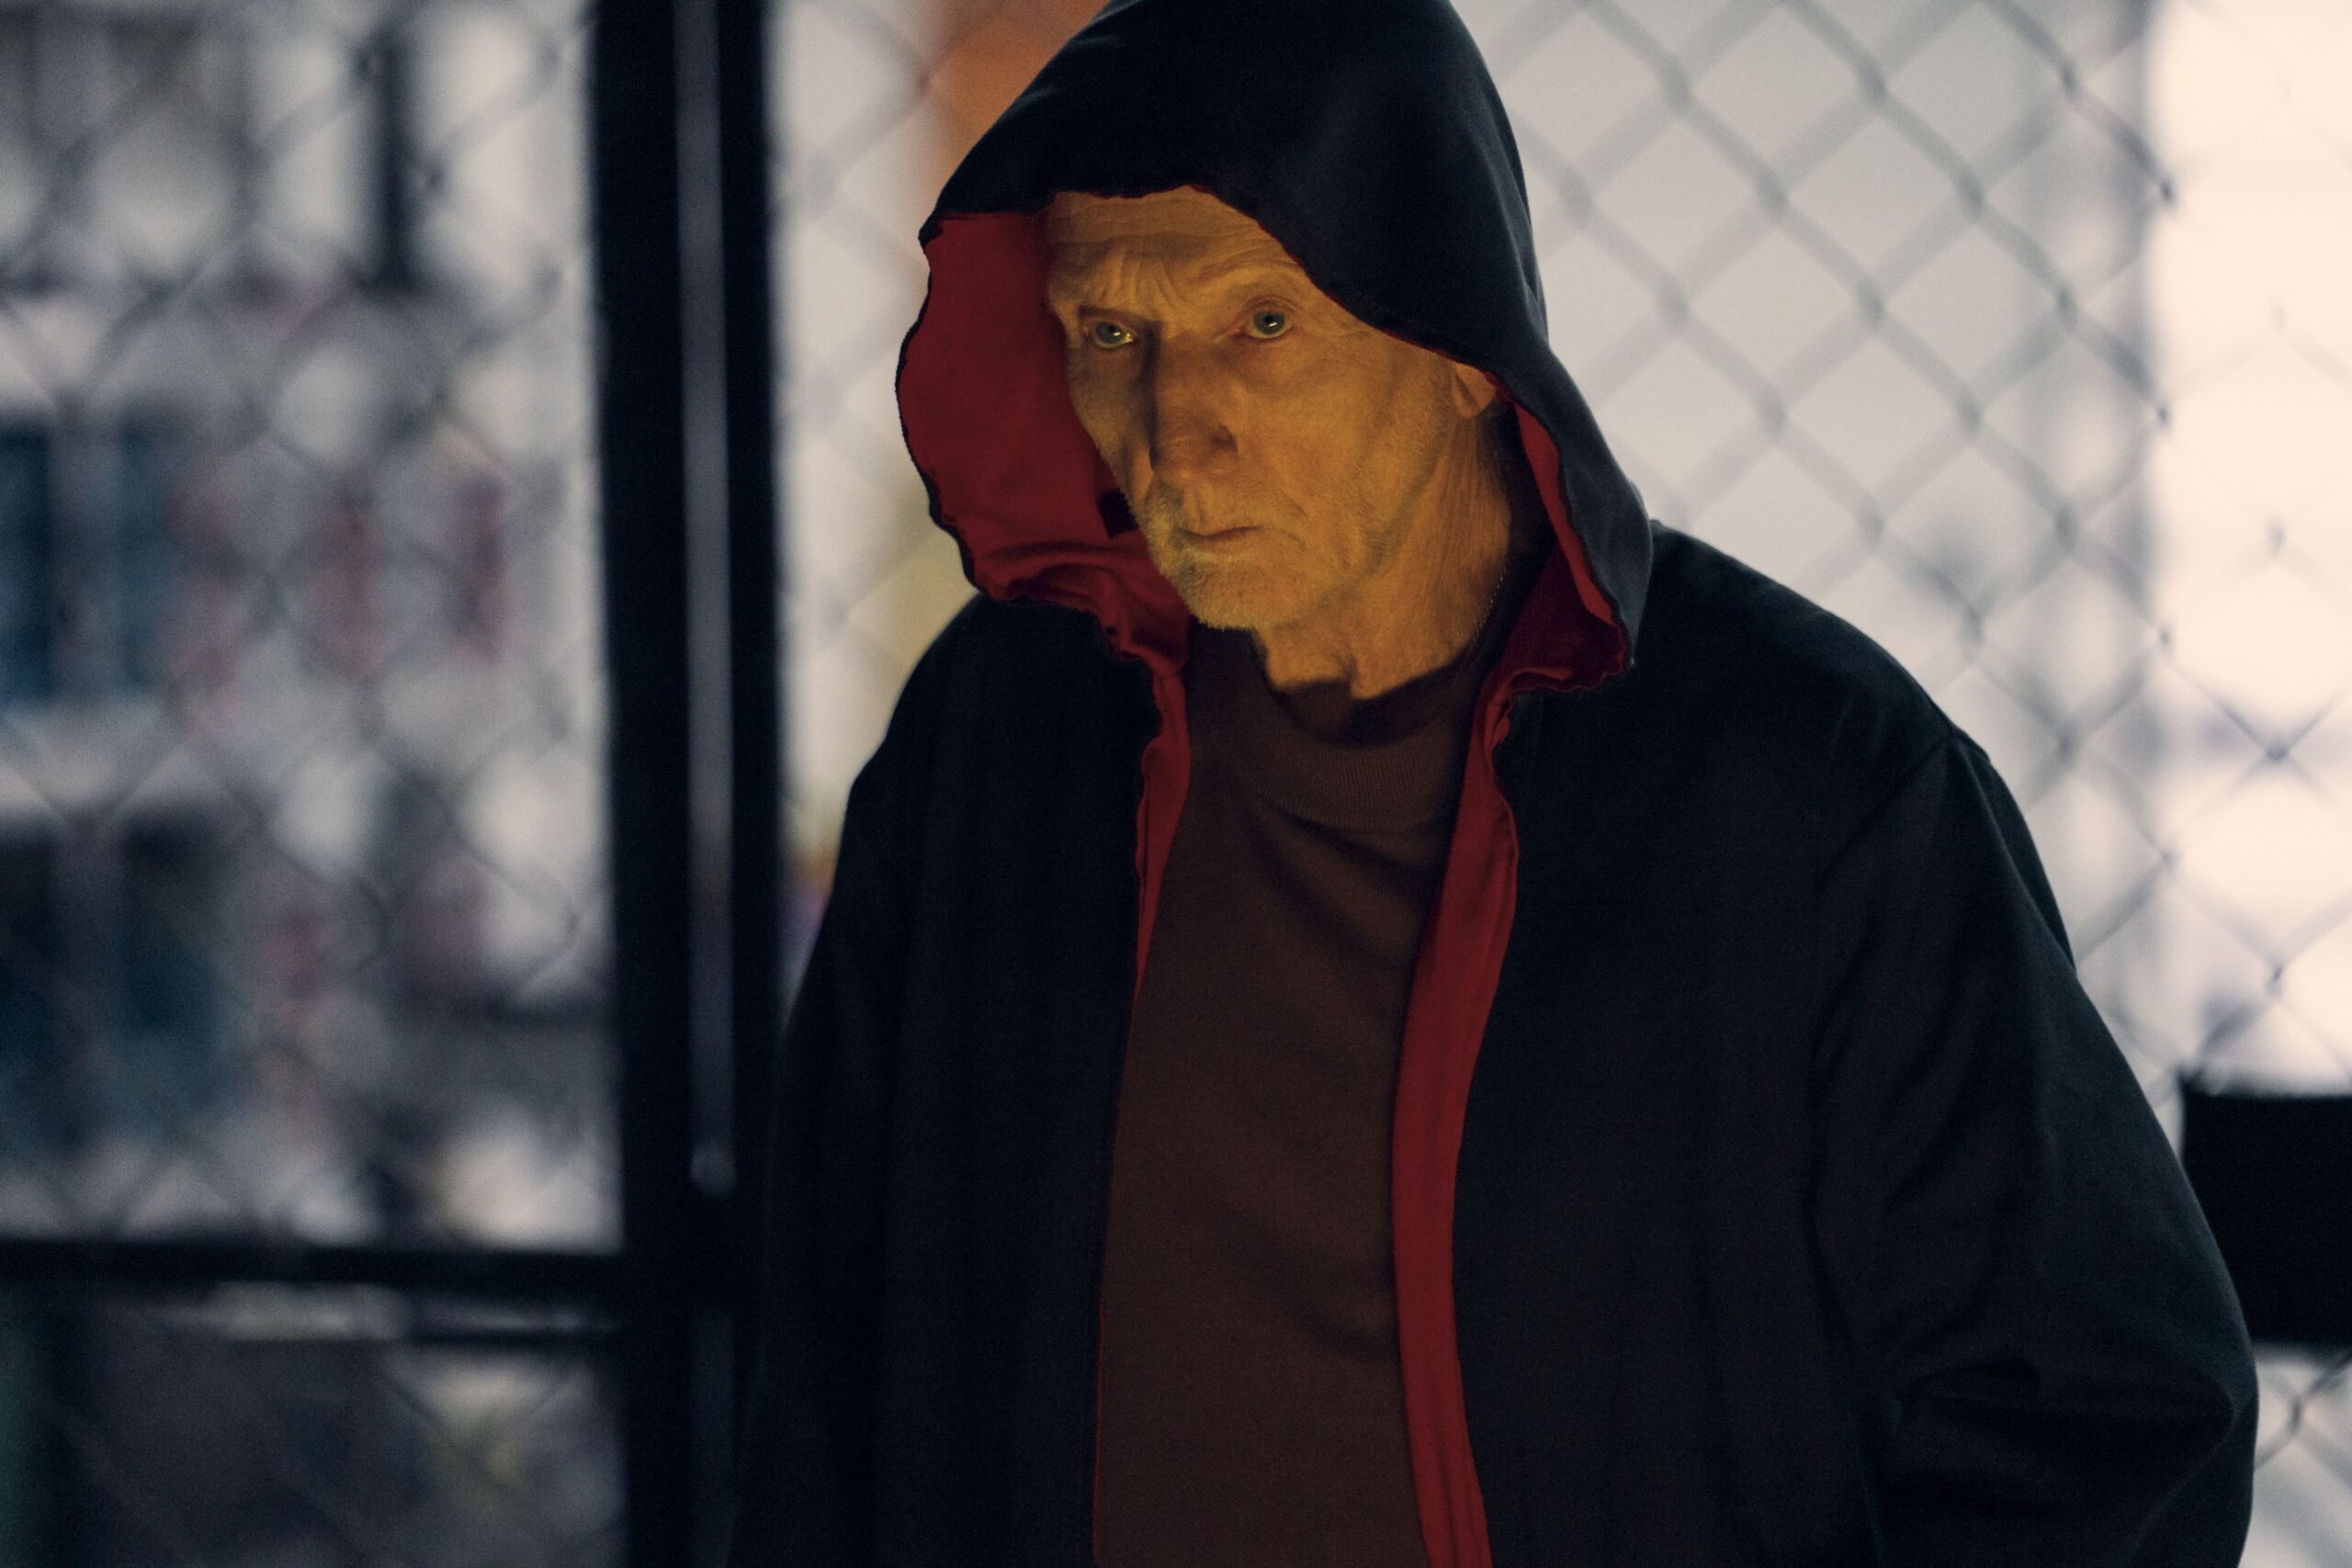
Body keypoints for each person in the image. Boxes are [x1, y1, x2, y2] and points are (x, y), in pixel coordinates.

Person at [727, 0, 2258, 1562]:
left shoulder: (1811, 793)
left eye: (1264, 324)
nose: (1179, 434)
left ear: (1462, 345)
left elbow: (2106, 1410)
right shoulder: (996, 743)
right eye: (1113, 335)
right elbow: (833, 1379)